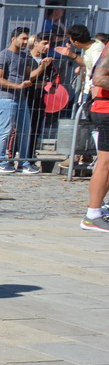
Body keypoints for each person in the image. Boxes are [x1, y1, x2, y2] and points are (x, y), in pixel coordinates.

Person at [0, 27, 37, 175]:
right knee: (5, 130)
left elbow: (29, 76)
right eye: (23, 38)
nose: (25, 41)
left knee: (25, 131)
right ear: (13, 39)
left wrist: (42, 66)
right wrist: (18, 85)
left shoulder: (25, 57)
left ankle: (24, 162)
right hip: (6, 98)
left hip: (22, 98)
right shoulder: (3, 55)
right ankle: (1, 161)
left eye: (27, 39)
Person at [80, 49, 109, 231]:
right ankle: (93, 215)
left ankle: (97, 210)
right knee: (105, 163)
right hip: (106, 110)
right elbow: (99, 78)